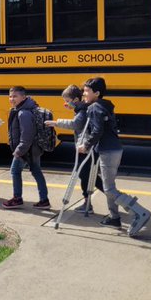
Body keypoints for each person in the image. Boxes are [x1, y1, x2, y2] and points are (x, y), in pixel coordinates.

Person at [78, 77, 151, 235]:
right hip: (114, 149)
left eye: (86, 91)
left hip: (107, 151)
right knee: (108, 185)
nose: (83, 93)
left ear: (96, 93)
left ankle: (139, 211)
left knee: (109, 188)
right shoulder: (104, 106)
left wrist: (86, 145)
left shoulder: (94, 108)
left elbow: (97, 131)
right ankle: (114, 217)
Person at [48, 85, 101, 214]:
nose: (66, 103)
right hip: (88, 146)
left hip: (86, 147)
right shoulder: (81, 108)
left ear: (76, 99)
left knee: (84, 174)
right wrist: (74, 108)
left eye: (67, 101)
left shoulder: (82, 110)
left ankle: (91, 202)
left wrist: (56, 122)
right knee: (88, 175)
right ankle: (97, 199)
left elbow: (76, 124)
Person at [1, 85, 50, 209]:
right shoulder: (22, 109)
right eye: (10, 96)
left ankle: (17, 198)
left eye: (15, 96)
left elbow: (27, 135)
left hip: (26, 150)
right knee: (36, 171)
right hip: (33, 149)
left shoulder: (23, 113)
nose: (12, 99)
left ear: (23, 97)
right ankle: (44, 200)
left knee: (15, 171)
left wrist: (18, 151)